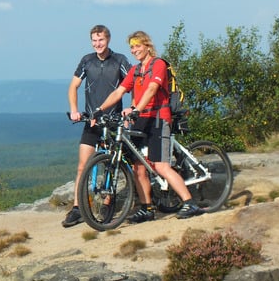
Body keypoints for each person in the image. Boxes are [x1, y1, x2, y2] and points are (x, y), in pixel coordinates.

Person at [93, 30, 203, 222]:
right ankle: (147, 208)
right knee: (138, 168)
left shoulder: (158, 64)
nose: (134, 50)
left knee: (161, 167)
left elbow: (152, 89)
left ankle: (190, 202)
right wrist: (99, 109)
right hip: (142, 119)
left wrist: (136, 108)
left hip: (159, 118)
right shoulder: (136, 70)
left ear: (147, 46)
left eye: (137, 46)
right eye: (132, 47)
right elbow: (118, 92)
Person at [62, 25, 132, 227]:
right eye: (94, 40)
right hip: (92, 121)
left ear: (108, 39)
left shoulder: (119, 60)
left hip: (112, 121)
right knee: (82, 166)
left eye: (100, 40)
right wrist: (74, 109)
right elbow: (73, 86)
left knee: (111, 164)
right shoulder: (87, 60)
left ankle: (107, 203)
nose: (97, 44)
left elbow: (132, 84)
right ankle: (77, 208)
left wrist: (132, 109)